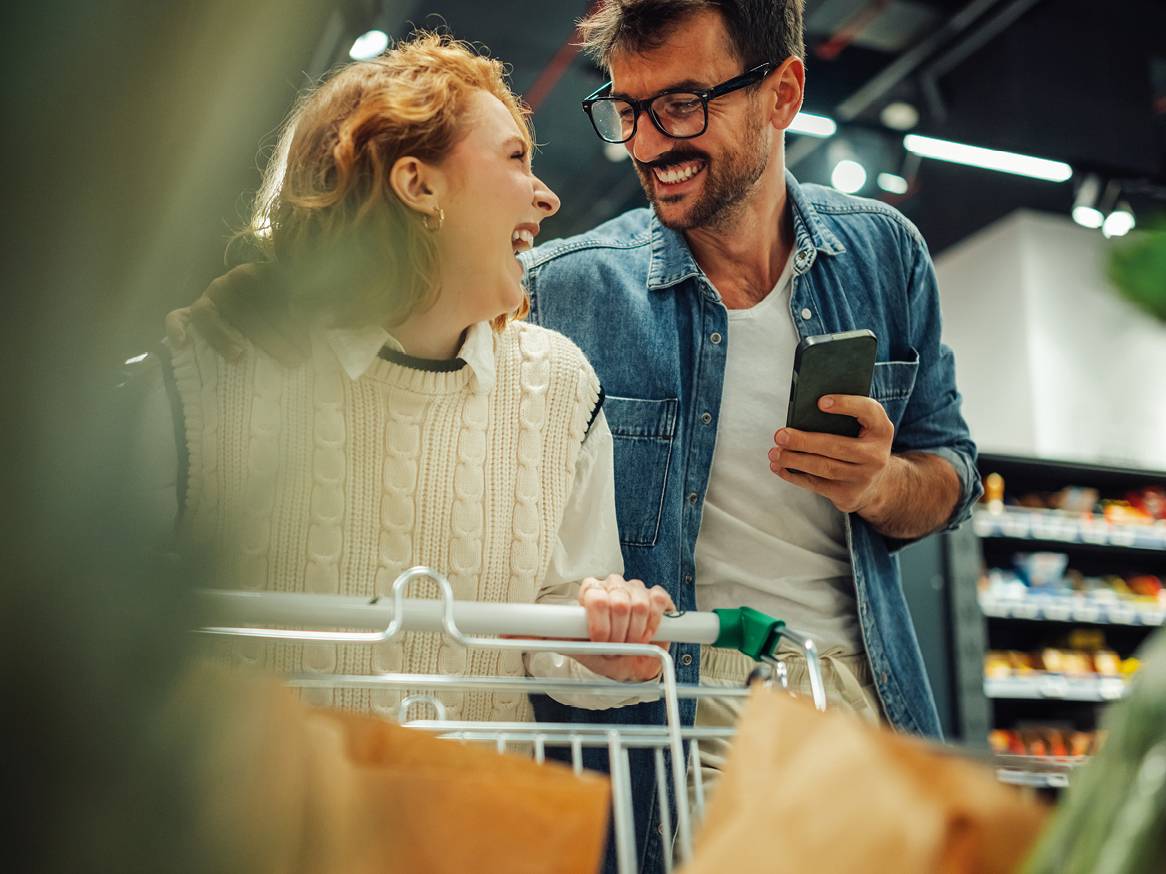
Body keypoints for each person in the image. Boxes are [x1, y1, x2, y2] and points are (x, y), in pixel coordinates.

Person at [173, 3, 981, 869]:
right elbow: (417, 316)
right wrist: (274, 296)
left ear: (782, 94)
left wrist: (880, 485)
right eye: (625, 109)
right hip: (683, 746)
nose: (643, 143)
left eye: (680, 104)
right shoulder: (569, 288)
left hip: (869, 709)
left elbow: (953, 473)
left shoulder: (883, 256)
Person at [143, 32, 675, 724]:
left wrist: (606, 648)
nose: (545, 198)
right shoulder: (212, 367)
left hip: (470, 821)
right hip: (254, 822)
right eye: (515, 158)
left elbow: (554, 632)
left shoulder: (562, 388)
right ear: (418, 184)